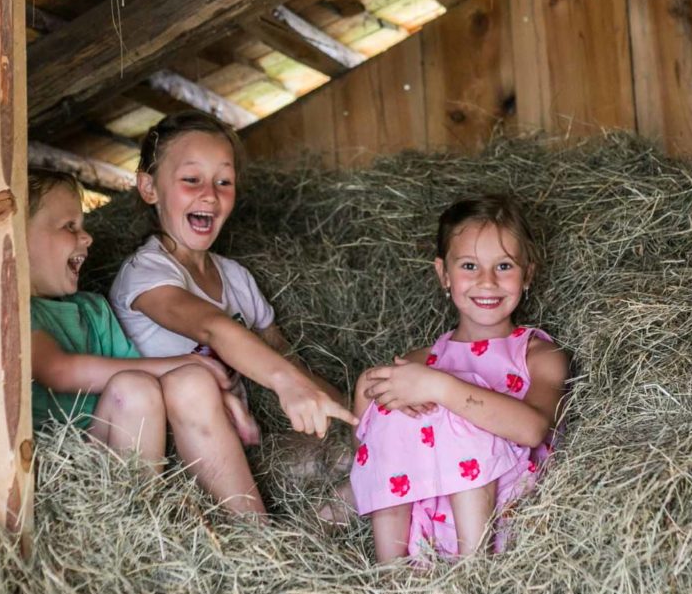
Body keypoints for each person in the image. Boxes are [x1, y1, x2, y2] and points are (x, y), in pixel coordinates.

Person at [107, 113, 358, 504]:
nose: (210, 194)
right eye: (192, 179)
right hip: (172, 464)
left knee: (359, 455)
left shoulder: (237, 278)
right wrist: (287, 384)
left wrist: (354, 411)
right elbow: (212, 328)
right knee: (192, 383)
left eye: (224, 182)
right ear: (148, 187)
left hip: (242, 450)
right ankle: (253, 540)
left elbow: (283, 357)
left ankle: (315, 528)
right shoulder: (146, 273)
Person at [27, 169, 265, 515]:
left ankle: (256, 534)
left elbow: (157, 380)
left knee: (187, 381)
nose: (87, 238)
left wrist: (214, 389)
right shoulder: (6, 310)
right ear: (13, 235)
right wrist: (182, 361)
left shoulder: (92, 309)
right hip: (51, 478)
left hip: (110, 451)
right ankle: (135, 528)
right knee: (133, 389)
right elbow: (59, 371)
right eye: (70, 227)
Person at [348, 194, 570, 562]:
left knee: (458, 412)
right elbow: (374, 450)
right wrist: (366, 392)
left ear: (528, 274)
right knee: (387, 405)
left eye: (504, 266)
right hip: (424, 512)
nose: (486, 281)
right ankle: (389, 572)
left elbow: (533, 431)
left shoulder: (537, 355)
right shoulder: (420, 362)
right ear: (444, 275)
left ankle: (474, 573)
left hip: (499, 513)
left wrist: (440, 387)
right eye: (469, 265)